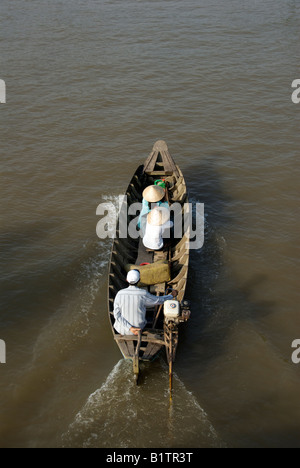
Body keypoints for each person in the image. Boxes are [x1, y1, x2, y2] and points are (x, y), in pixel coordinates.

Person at [113, 269, 178, 336]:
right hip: (138, 329)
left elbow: (117, 315)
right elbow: (159, 300)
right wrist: (171, 295)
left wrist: (130, 328)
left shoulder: (119, 294)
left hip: (121, 330)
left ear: (126, 280)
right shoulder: (143, 293)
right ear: (139, 280)